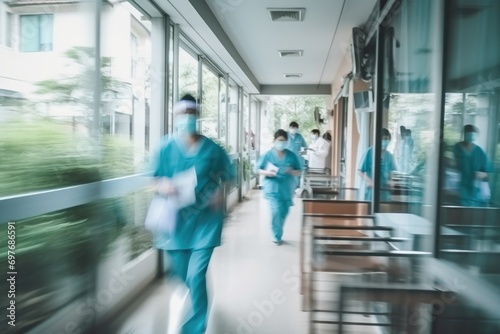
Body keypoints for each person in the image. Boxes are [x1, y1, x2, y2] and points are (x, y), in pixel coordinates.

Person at [153, 94, 234, 334]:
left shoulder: (212, 149)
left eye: (192, 113)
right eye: (183, 113)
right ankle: (200, 300)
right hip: (176, 223)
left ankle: (193, 328)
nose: (187, 118)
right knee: (180, 275)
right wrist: (162, 185)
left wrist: (221, 192)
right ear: (175, 116)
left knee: (196, 276)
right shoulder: (165, 147)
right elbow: (153, 178)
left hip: (206, 222)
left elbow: (228, 175)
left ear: (197, 116)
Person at [257, 129, 302, 245]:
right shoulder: (268, 155)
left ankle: (278, 229)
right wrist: (267, 172)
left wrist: (292, 171)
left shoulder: (291, 156)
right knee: (276, 211)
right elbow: (257, 169)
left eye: (284, 141)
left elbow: (300, 171)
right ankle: (276, 236)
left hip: (286, 190)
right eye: (279, 140)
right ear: (274, 140)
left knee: (284, 212)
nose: (282, 143)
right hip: (272, 189)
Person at [453, 124, 492, 207]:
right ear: (464, 134)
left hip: (474, 190)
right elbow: (455, 165)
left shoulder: (479, 151)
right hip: (459, 189)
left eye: (472, 134)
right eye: (468, 133)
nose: (470, 136)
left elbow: (486, 172)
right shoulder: (457, 147)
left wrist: (481, 175)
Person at [358, 128, 397, 201]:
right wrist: (369, 181)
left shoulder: (389, 156)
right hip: (372, 192)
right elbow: (359, 171)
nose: (385, 141)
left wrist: (391, 181)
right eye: (383, 139)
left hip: (385, 192)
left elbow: (391, 173)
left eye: (387, 139)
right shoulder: (370, 152)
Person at [286, 121, 307, 190]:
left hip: (298, 159)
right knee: (288, 173)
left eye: (295, 128)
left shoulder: (299, 137)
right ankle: (289, 188)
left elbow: (305, 147)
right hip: (288, 159)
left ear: (297, 129)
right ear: (290, 128)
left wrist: (302, 153)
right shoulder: (285, 135)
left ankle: (297, 188)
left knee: (297, 174)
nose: (293, 129)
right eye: (292, 128)